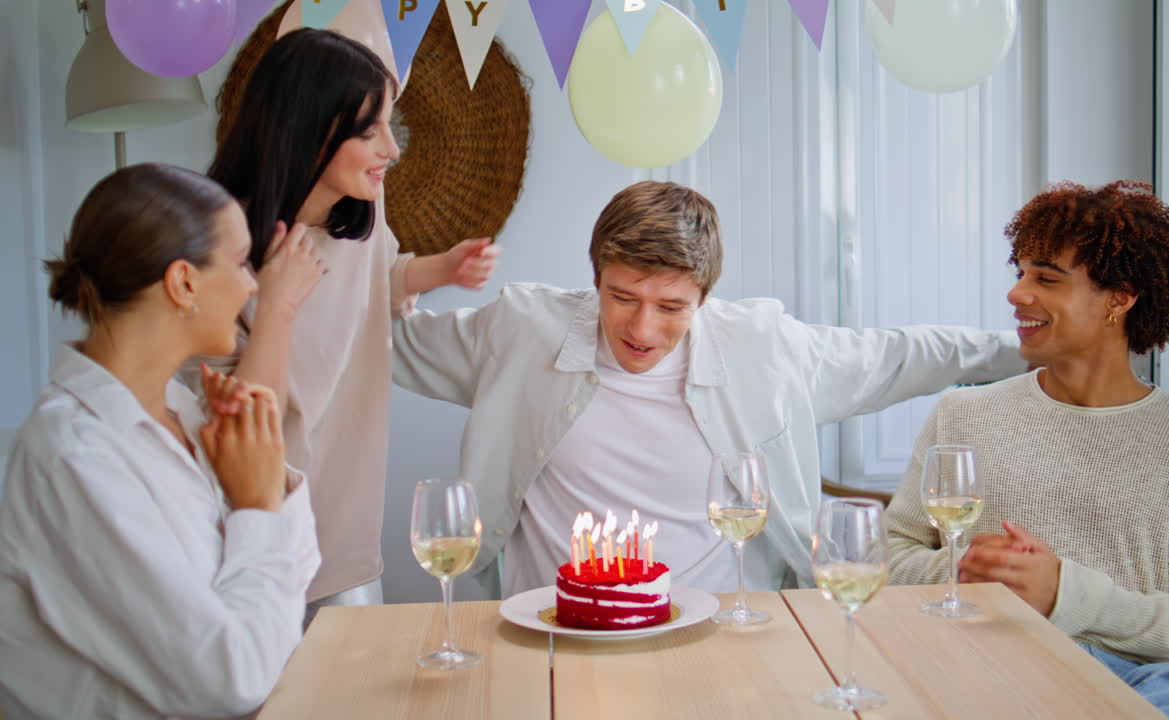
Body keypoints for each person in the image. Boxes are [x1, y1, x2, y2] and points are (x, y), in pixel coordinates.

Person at [392, 180, 1026, 598]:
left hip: (720, 636)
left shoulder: (763, 350)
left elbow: (900, 356)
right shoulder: (522, 333)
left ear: (705, 296)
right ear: (595, 281)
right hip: (555, 632)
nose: (642, 328)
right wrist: (397, 272)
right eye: (622, 297)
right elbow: (380, 342)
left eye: (671, 307)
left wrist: (1031, 349)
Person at [884, 180, 1169, 718]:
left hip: (1142, 684)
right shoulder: (965, 414)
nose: (1017, 293)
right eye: (1020, 272)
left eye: (1046, 278)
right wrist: (972, 571)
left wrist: (1066, 594)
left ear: (1120, 298)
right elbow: (887, 555)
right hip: (985, 662)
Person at [0, 163, 319, 718]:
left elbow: (288, 592)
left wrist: (263, 473)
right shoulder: (73, 456)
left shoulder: (187, 412)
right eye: (243, 262)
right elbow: (230, 678)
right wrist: (259, 506)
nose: (251, 285)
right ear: (183, 283)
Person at [202, 28, 499, 620]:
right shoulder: (218, 245)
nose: (393, 149)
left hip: (345, 536)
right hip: (248, 535)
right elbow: (232, 420)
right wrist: (277, 307)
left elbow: (375, 277)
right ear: (311, 131)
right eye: (371, 132)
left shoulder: (357, 216)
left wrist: (442, 269)